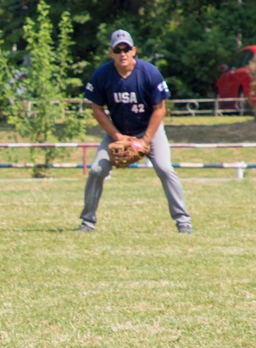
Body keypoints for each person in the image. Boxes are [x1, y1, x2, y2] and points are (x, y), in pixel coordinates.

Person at [77, 29, 191, 234]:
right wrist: (117, 136)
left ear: (134, 51)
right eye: (117, 49)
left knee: (165, 169)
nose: (122, 53)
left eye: (126, 49)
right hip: (118, 131)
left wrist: (146, 139)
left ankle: (183, 221)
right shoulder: (102, 75)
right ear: (111, 52)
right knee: (96, 170)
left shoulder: (149, 73)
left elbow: (160, 109)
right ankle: (87, 222)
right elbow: (97, 109)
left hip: (150, 131)